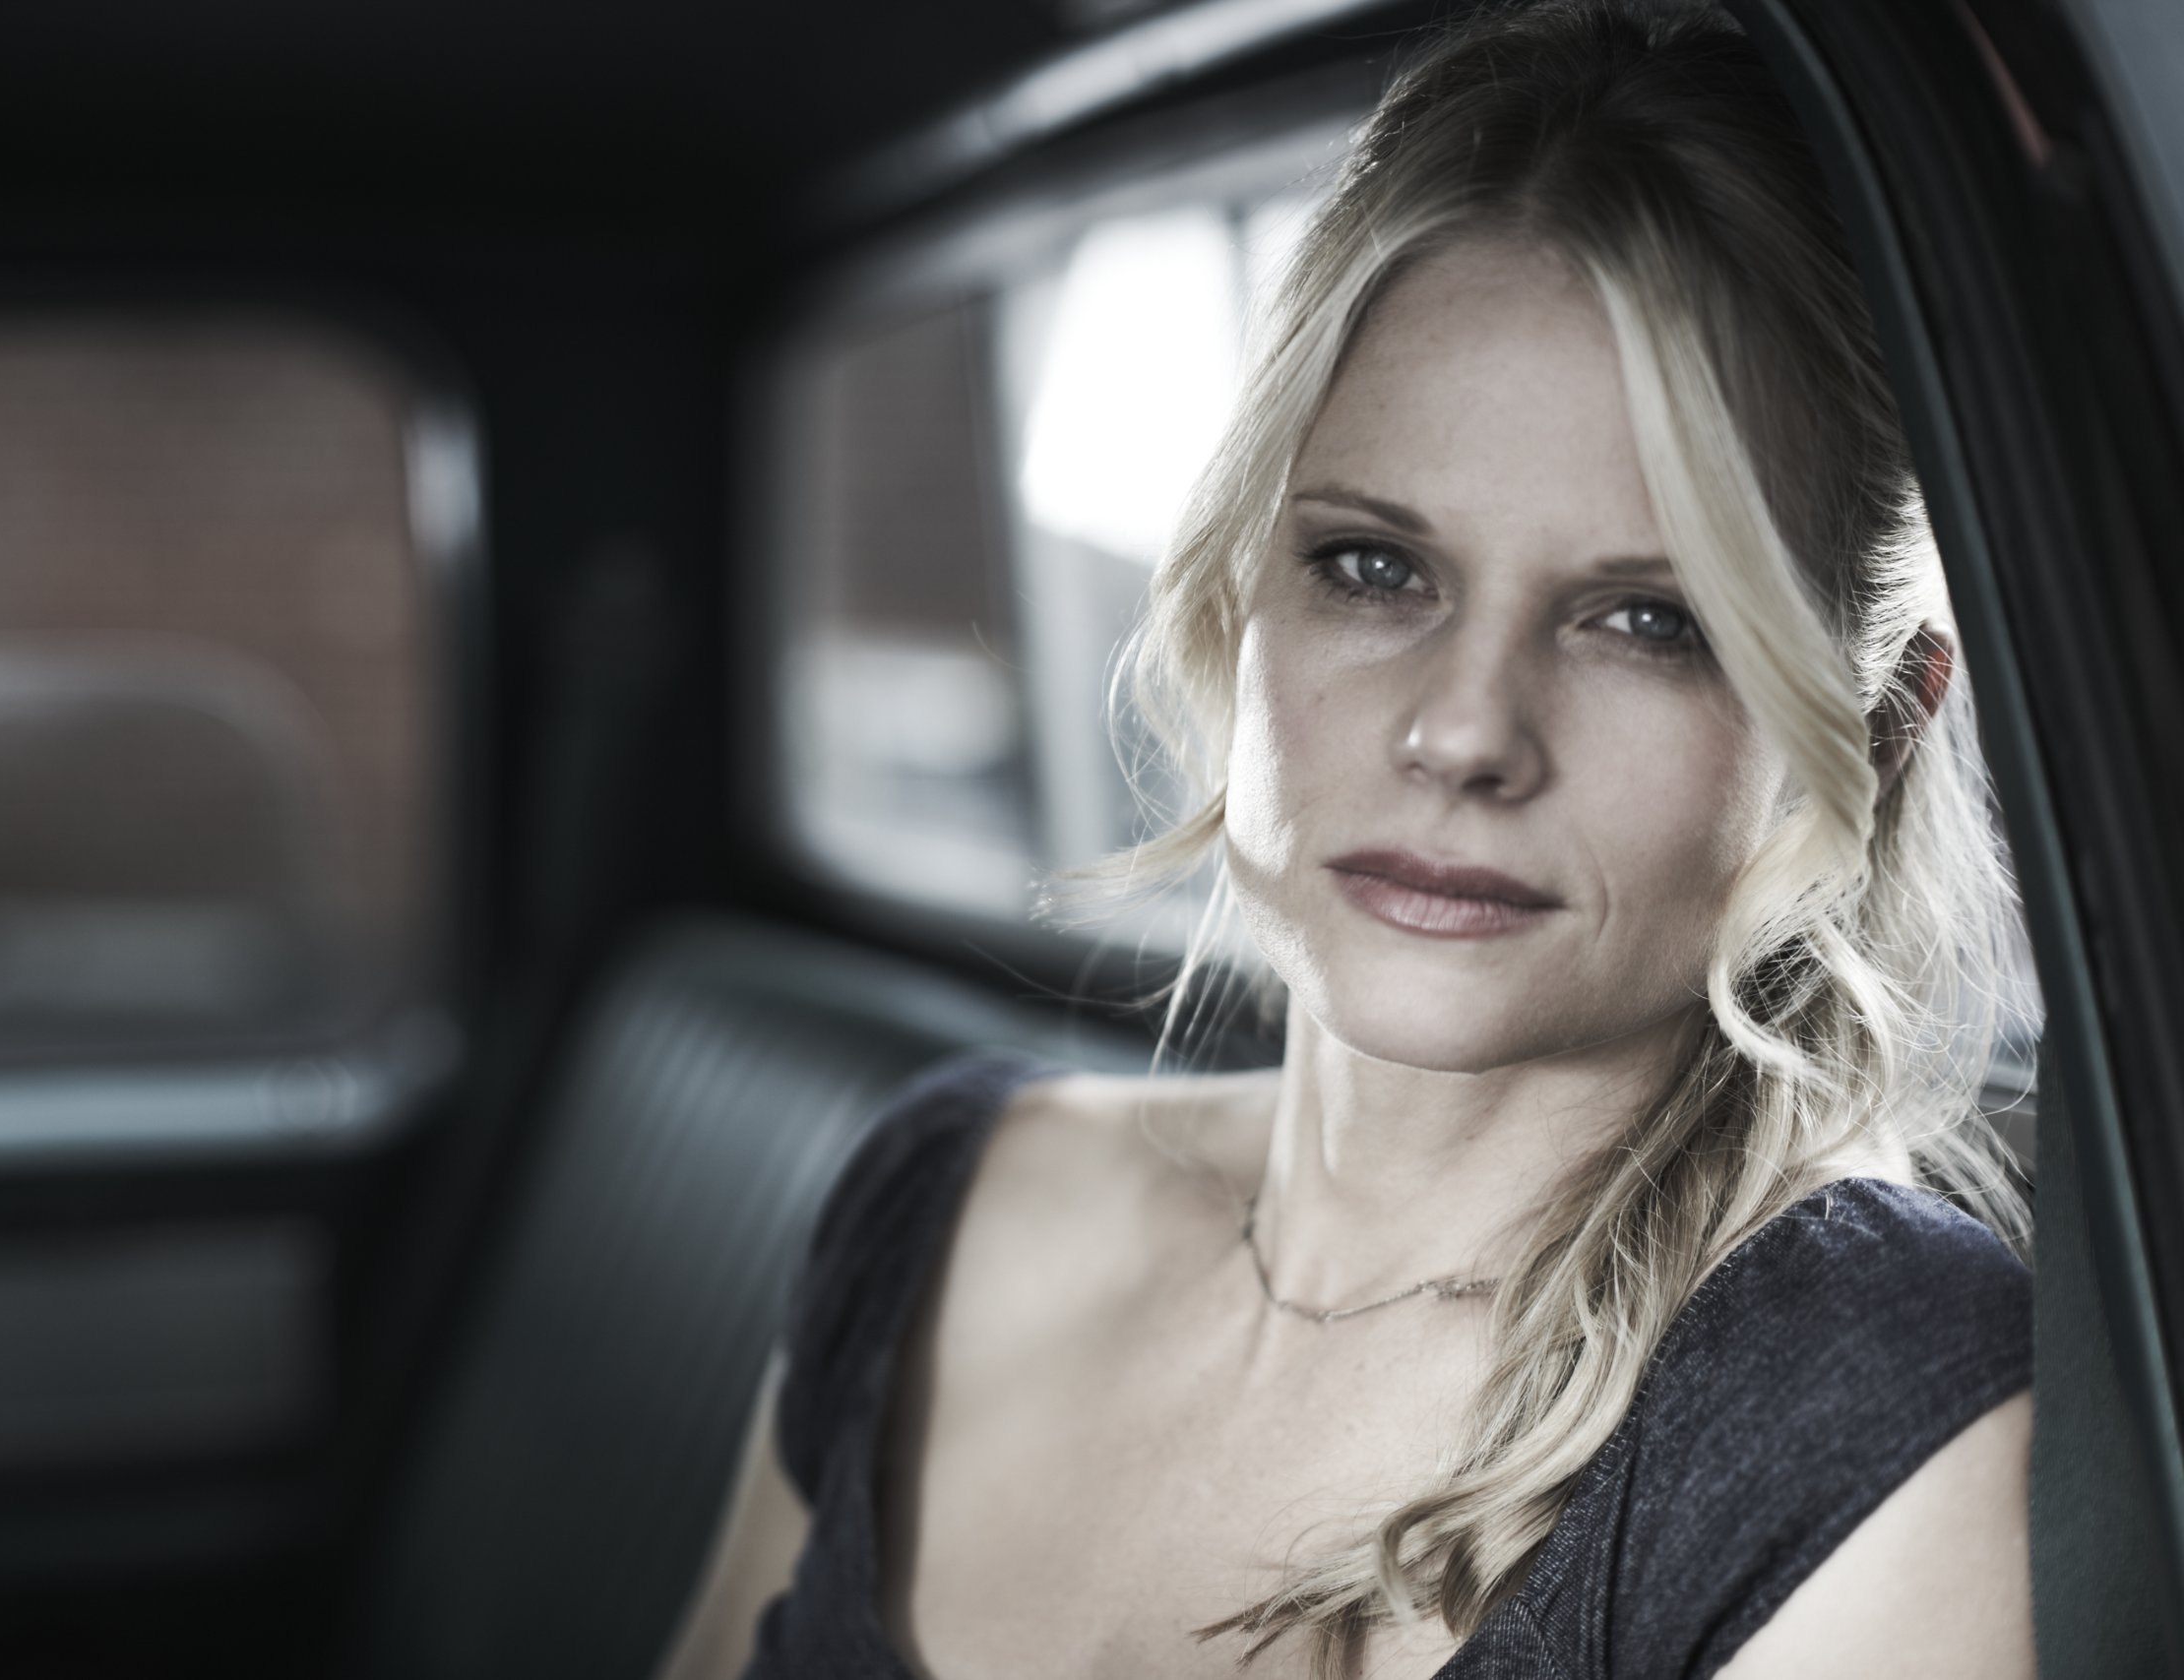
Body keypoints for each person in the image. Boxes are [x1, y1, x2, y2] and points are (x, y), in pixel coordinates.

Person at [657, 2, 2035, 1675]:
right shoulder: (942, 1200)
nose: (1464, 732)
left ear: (1879, 725)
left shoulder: (1864, 1406)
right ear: (1239, 588)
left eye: (1650, 621)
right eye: (1375, 569)